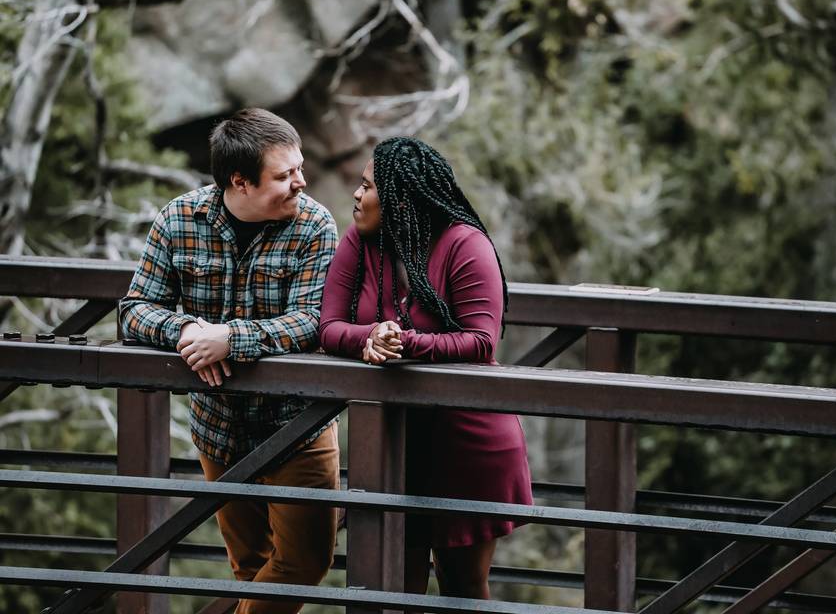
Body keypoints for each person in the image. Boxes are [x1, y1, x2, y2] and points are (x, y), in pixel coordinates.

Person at [119, 108, 339, 614]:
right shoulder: (179, 219)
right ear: (239, 182)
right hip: (218, 427)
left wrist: (231, 339)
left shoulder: (315, 225)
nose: (301, 183)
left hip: (296, 426)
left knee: (303, 566)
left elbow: (313, 321)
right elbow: (134, 311)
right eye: (285, 176)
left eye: (299, 168)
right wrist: (188, 331)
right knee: (249, 568)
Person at [318, 136, 533, 599]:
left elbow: (480, 341)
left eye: (368, 186)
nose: (357, 195)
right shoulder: (360, 241)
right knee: (395, 587)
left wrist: (403, 341)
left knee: (461, 587)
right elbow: (328, 327)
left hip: (467, 440)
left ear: (400, 197)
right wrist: (371, 337)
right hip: (396, 441)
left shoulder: (463, 244)